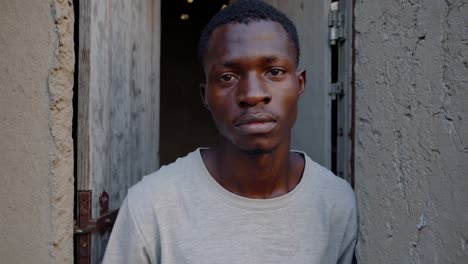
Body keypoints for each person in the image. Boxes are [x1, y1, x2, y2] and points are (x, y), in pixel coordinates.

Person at [102, 0, 357, 263]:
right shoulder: (152, 206)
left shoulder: (337, 204)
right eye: (227, 77)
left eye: (274, 72)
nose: (253, 94)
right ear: (205, 96)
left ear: (299, 84)